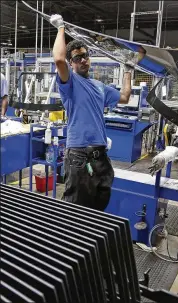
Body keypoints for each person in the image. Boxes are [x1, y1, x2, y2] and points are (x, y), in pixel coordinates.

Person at [50, 14, 133, 211]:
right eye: (78, 58)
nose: (84, 60)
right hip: (79, 156)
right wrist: (61, 28)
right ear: (72, 63)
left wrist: (128, 70)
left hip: (101, 156)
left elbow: (125, 97)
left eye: (86, 56)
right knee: (76, 211)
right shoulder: (69, 83)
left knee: (100, 203)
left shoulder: (99, 86)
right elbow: (58, 59)